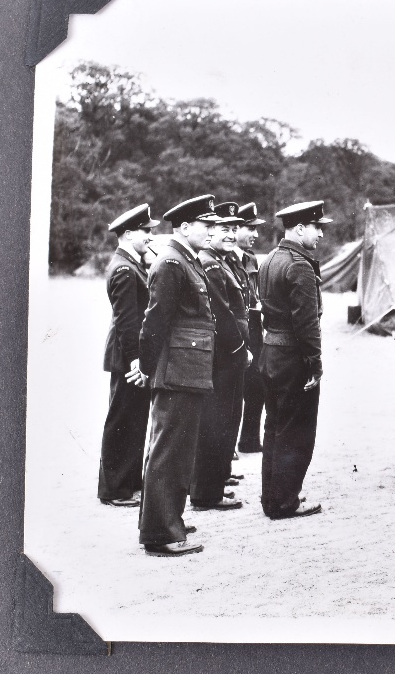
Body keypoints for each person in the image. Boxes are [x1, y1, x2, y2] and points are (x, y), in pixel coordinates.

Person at [136, 194, 222, 556]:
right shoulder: (172, 262)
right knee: (169, 451)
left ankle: (168, 520)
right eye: (208, 224)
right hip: (176, 371)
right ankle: (160, 533)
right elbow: (154, 322)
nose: (213, 230)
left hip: (186, 369)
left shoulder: (183, 259)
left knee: (176, 450)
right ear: (186, 227)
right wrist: (146, 367)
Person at [258, 200, 329, 518]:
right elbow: (307, 322)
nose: (320, 235)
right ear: (300, 229)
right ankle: (285, 501)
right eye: (317, 228)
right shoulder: (299, 264)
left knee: (274, 427)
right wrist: (315, 361)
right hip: (293, 357)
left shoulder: (271, 259)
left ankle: (271, 498)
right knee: (296, 431)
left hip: (271, 351)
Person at [189, 202, 249, 512]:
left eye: (232, 228)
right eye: (223, 228)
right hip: (225, 355)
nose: (229, 234)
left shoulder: (221, 261)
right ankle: (206, 493)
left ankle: (212, 486)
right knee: (216, 421)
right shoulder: (211, 263)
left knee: (224, 420)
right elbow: (222, 314)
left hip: (230, 354)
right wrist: (240, 347)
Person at [98, 203, 159, 508]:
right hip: (127, 357)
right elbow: (127, 321)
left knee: (134, 419)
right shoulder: (124, 267)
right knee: (122, 420)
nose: (151, 236)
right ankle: (114, 490)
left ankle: (128, 482)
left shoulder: (131, 263)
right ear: (129, 233)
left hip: (128, 355)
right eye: (146, 231)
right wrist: (136, 359)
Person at [233, 203, 266, 454]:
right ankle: (227, 447)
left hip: (254, 329)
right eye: (249, 228)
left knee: (257, 386)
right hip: (234, 330)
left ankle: (249, 440)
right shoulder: (224, 258)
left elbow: (254, 295)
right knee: (232, 391)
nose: (255, 234)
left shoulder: (251, 259)